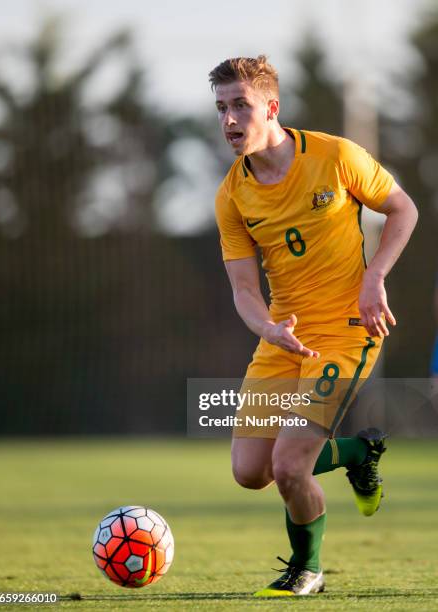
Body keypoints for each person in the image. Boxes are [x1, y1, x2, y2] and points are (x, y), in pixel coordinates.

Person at [209, 55, 418, 597]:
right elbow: (244, 289)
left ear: (271, 107)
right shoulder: (232, 195)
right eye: (221, 108)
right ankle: (359, 453)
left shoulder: (335, 155)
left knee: (288, 465)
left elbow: (403, 210)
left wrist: (374, 277)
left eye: (240, 106)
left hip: (349, 329)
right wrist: (267, 328)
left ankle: (307, 570)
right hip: (285, 339)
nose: (229, 120)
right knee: (249, 471)